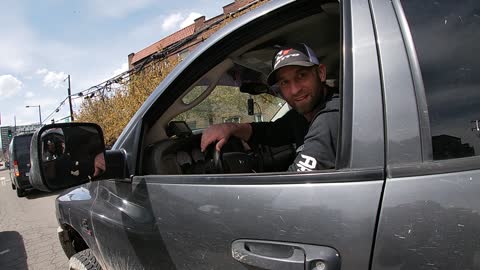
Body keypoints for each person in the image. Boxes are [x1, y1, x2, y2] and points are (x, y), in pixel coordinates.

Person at [201, 43, 339, 171]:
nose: (294, 90)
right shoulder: (303, 114)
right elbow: (272, 132)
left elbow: (294, 187)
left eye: (302, 75)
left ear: (321, 73)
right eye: (285, 82)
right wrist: (231, 128)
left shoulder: (332, 115)